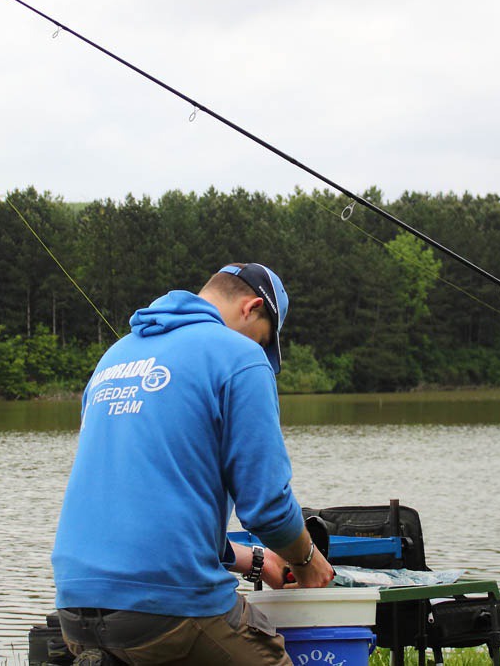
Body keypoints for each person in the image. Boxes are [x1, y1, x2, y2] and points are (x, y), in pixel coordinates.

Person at [51, 262, 335, 665]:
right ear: (252, 307)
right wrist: (306, 561)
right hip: (166, 611)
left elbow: (152, 510)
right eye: (266, 338)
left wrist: (259, 560)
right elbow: (268, 507)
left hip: (74, 606)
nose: (262, 350)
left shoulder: (113, 358)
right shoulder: (241, 357)